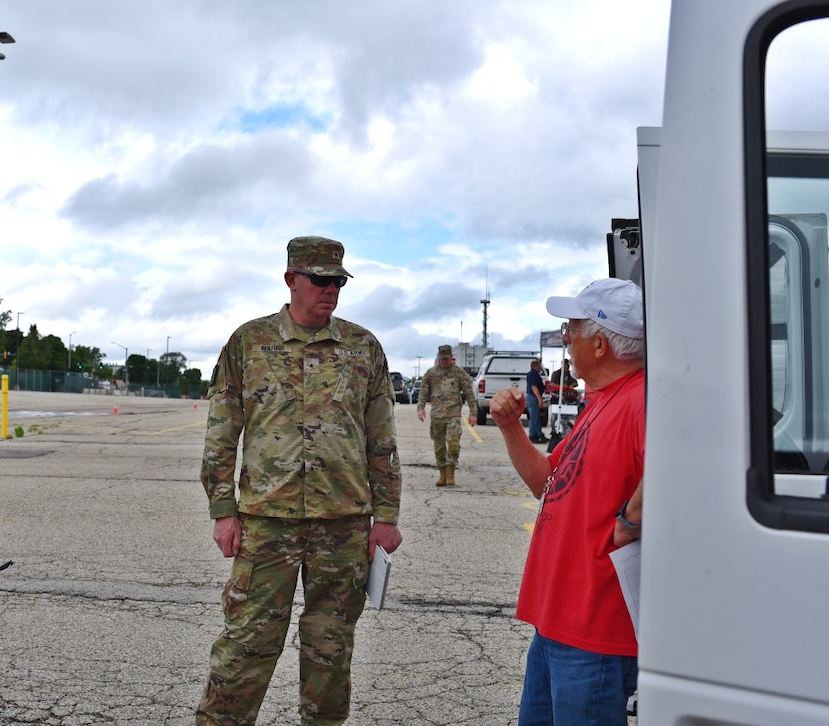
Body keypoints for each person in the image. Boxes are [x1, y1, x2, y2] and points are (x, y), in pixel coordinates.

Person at [196, 235, 403, 726]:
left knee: (330, 650)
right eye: (320, 280)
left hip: (344, 525)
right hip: (268, 523)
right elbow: (222, 433)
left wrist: (387, 515)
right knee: (247, 644)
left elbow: (382, 438)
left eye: (338, 282)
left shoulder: (363, 347)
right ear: (291, 280)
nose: (330, 290)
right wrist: (223, 510)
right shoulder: (249, 343)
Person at [489, 278, 645, 725]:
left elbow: (679, 471)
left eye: (571, 329)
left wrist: (630, 523)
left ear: (599, 344)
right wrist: (509, 427)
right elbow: (546, 482)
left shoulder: (641, 400)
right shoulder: (604, 401)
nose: (565, 338)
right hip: (559, 621)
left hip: (594, 629)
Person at [416, 344, 478, 486]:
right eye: (442, 358)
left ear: (451, 358)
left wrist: (473, 413)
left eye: (447, 358)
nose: (444, 361)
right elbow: (423, 392)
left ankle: (451, 472)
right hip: (437, 416)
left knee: (453, 444)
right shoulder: (431, 374)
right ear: (439, 358)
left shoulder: (459, 373)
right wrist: (420, 408)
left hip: (453, 415)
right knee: (439, 447)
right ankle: (442, 474)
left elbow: (469, 394)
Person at [525, 358, 547, 444]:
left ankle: (539, 434)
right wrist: (539, 399)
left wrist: (539, 361)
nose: (540, 368)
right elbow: (534, 387)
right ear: (535, 366)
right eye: (539, 366)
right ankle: (532, 436)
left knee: (536, 418)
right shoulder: (534, 375)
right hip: (533, 397)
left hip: (531, 397)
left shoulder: (531, 374)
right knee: (533, 418)